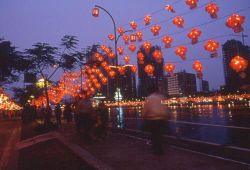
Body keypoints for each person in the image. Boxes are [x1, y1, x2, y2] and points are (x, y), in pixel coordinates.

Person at [142, 86, 167, 155]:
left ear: (149, 91)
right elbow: (165, 107)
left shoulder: (149, 98)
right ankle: (160, 149)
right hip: (162, 118)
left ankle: (156, 150)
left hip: (153, 119)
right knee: (160, 134)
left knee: (154, 135)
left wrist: (143, 116)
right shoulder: (161, 97)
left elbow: (146, 108)